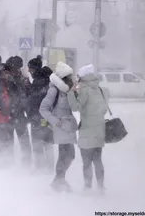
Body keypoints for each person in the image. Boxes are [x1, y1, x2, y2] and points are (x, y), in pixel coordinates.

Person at [67, 64, 107, 193]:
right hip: (99, 129)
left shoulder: (84, 88)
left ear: (83, 76)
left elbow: (75, 107)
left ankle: (88, 187)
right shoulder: (98, 88)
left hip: (88, 130)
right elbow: (104, 108)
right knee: (98, 160)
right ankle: (101, 187)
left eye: (79, 76)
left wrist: (71, 93)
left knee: (87, 161)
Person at [39, 61, 78, 192]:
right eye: (69, 77)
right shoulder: (54, 90)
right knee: (65, 154)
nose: (71, 79)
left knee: (70, 155)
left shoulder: (67, 91)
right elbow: (43, 109)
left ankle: (59, 180)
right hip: (61, 126)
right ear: (63, 78)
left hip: (68, 126)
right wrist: (56, 121)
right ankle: (59, 181)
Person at [27, 55, 55, 172]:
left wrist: (30, 114)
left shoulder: (38, 82)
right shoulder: (49, 81)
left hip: (38, 117)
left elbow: (34, 101)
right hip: (48, 117)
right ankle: (50, 166)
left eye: (30, 68)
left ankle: (40, 166)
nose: (29, 71)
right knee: (48, 141)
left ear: (35, 69)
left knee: (37, 141)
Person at [5, 56, 32, 166]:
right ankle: (8, 164)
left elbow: (27, 95)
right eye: (16, 68)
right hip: (8, 114)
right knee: (8, 141)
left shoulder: (22, 78)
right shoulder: (5, 79)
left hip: (18, 114)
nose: (17, 70)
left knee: (24, 140)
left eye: (19, 68)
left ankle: (26, 164)